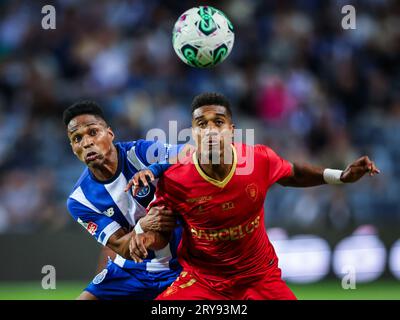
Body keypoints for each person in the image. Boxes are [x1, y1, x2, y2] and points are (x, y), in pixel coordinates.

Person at [128, 92, 380, 300]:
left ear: (231, 130)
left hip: (259, 279)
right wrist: (146, 238)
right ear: (193, 134)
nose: (210, 131)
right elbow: (161, 230)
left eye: (218, 122)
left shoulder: (257, 159)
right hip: (203, 283)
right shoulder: (175, 179)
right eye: (202, 125)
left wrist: (341, 176)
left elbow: (293, 173)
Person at [63, 100, 183, 300]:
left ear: (109, 134)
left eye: (93, 132)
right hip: (131, 271)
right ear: (73, 148)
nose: (86, 143)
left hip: (182, 263)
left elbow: (190, 154)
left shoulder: (141, 153)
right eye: (77, 138)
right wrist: (142, 226)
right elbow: (124, 248)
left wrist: (155, 169)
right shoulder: (79, 200)